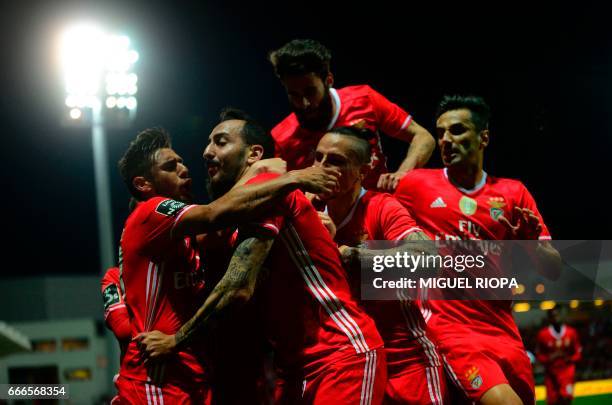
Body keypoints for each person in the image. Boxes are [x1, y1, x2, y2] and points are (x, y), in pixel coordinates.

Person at [137, 110, 387, 405]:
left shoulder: (269, 192)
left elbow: (237, 288)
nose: (206, 152)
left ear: (254, 154)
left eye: (221, 142)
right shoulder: (250, 204)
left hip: (341, 354)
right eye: (208, 143)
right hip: (293, 368)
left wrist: (175, 341)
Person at [394, 95, 562, 405]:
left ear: (483, 137)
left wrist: (528, 243)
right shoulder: (415, 185)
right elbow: (369, 207)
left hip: (504, 331)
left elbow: (552, 269)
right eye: (441, 132)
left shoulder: (514, 193)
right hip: (451, 329)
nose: (446, 140)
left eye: (457, 130)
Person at [311, 126, 447, 404]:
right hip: (345, 363)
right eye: (318, 158)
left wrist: (351, 255)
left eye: (336, 161)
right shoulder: (308, 213)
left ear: (363, 171)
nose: (322, 167)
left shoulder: (382, 206)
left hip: (405, 361)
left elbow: (430, 258)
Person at [269, 39, 435, 191]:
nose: (304, 103)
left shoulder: (364, 99)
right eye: (294, 95)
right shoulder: (281, 139)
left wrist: (402, 174)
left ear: (329, 80)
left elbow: (422, 137)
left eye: (310, 92)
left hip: (380, 208)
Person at [536, 306, 582, 405]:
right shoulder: (543, 334)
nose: (556, 318)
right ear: (549, 318)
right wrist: (549, 358)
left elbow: (578, 353)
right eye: (553, 316)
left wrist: (569, 358)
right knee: (553, 401)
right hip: (551, 374)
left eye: (557, 315)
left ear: (562, 316)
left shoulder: (571, 333)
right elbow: (539, 355)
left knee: (566, 399)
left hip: (567, 372)